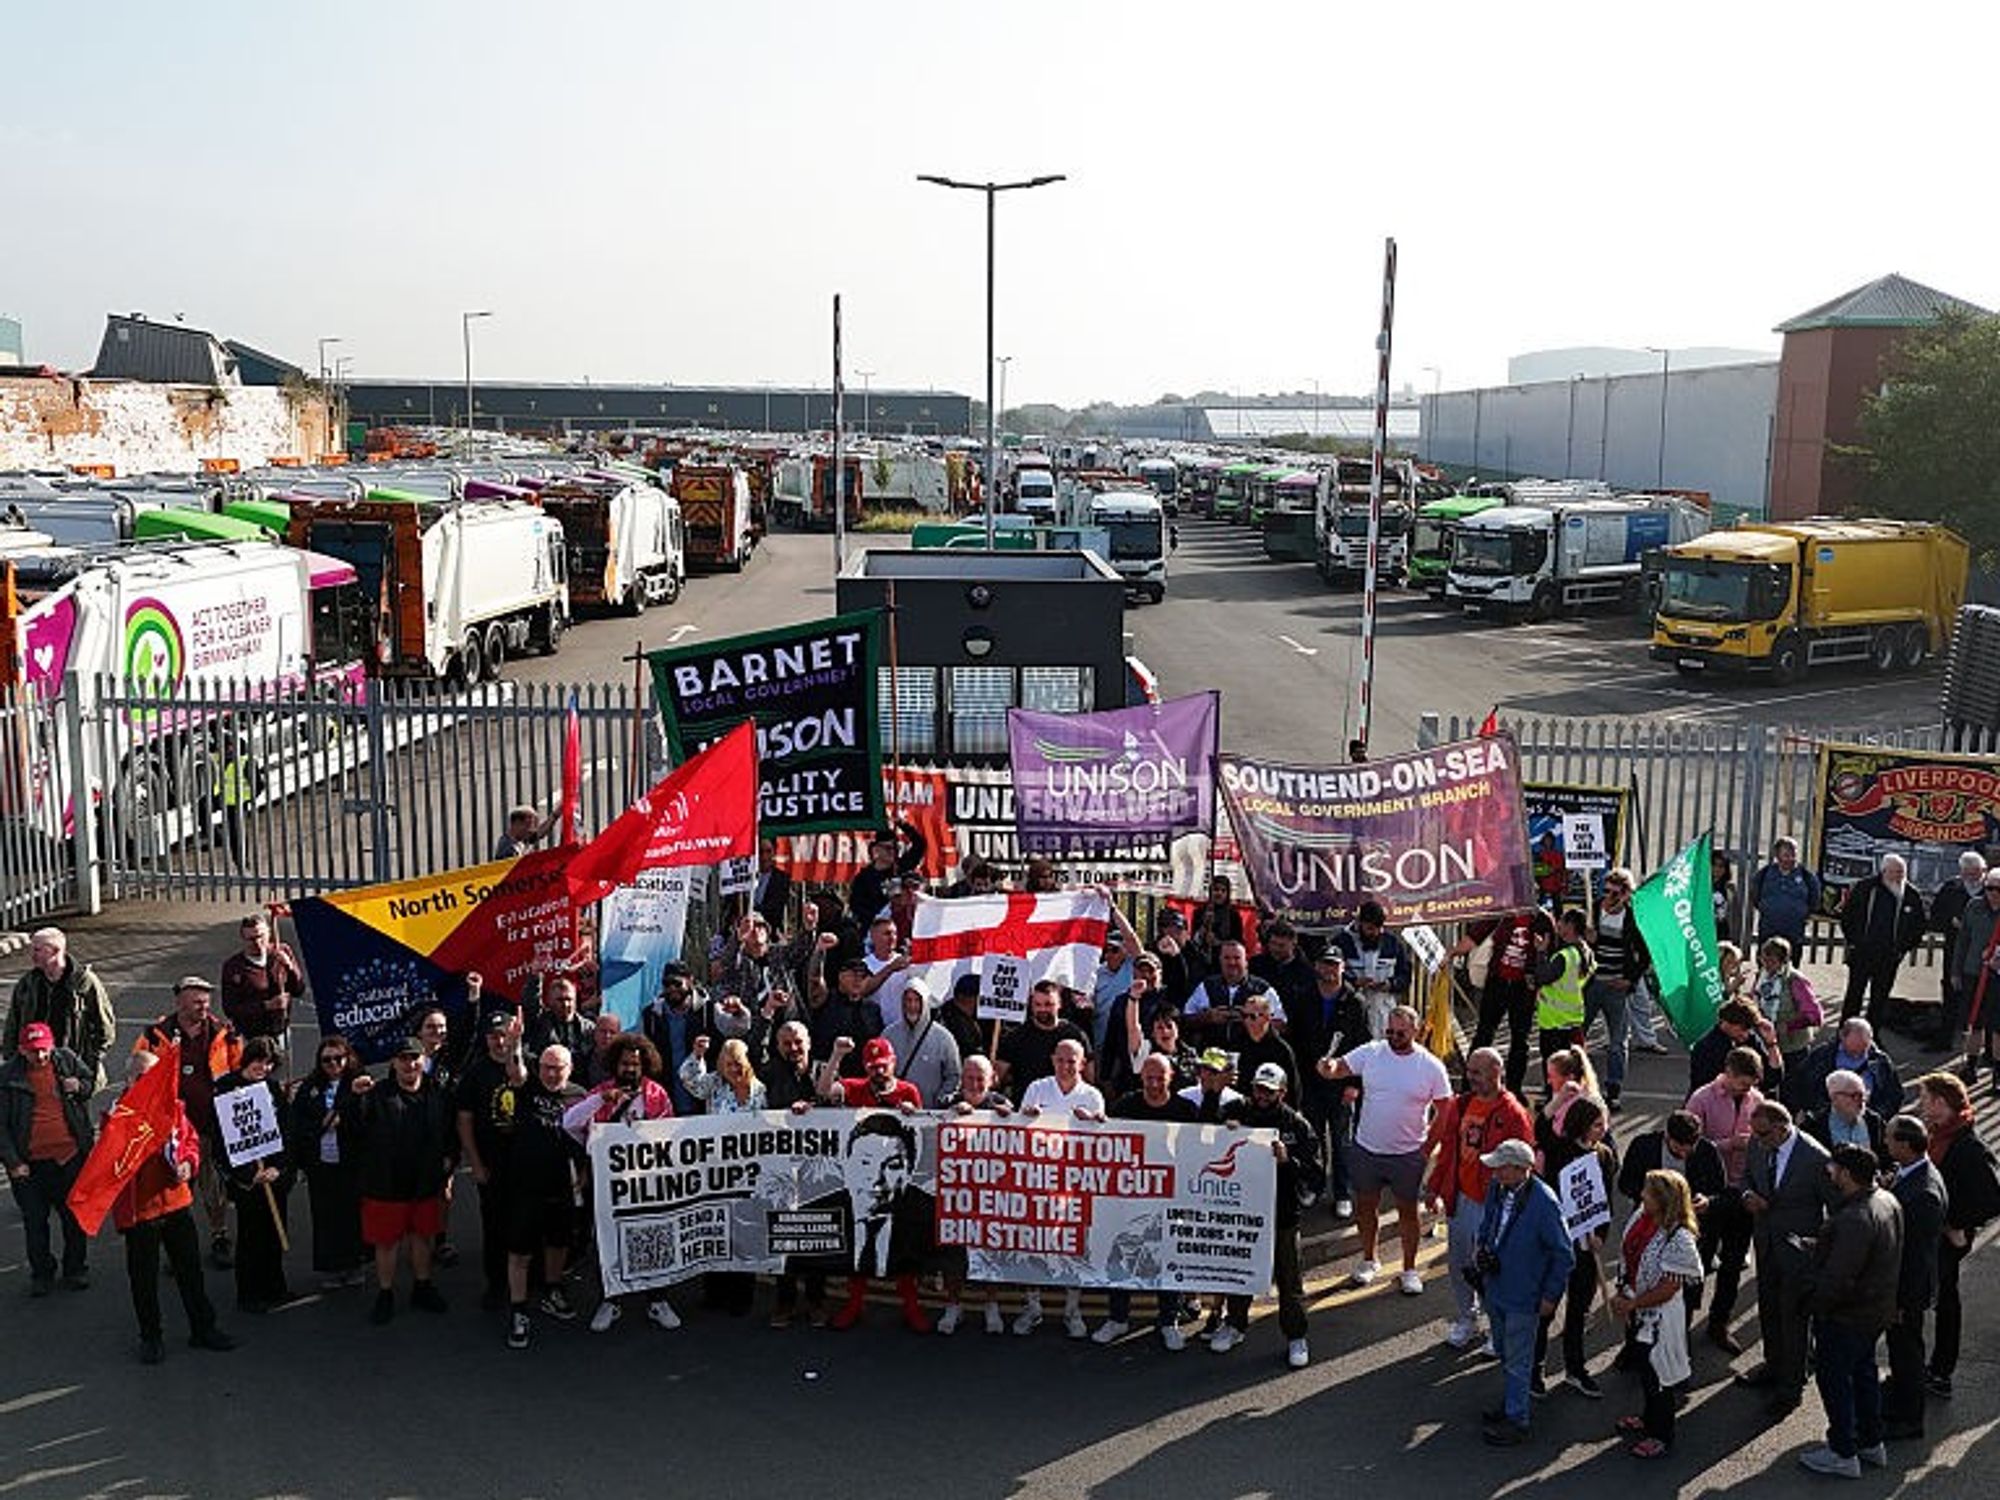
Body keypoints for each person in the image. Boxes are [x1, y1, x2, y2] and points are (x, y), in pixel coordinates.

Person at [1318, 1003, 1453, 1296]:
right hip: (1367, 1150)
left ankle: (1409, 1268)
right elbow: (1339, 1068)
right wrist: (1328, 1069)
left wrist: (1427, 1148)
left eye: (1400, 1033)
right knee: (1366, 1208)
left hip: (1408, 1154)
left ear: (1416, 1031)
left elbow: (1446, 1111)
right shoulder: (1372, 1052)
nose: (1393, 1037)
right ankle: (1369, 1259)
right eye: (1389, 1031)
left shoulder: (1431, 1066)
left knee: (1408, 1212)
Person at [110, 1052, 236, 1365]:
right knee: (144, 1279)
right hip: (141, 1212)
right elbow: (110, 1163)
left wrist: (188, 1163)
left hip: (175, 1203)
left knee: (190, 1271)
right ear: (128, 1080)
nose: (147, 1083)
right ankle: (150, 1336)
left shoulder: (174, 1108)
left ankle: (202, 1328)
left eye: (152, 1077)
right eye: (140, 1077)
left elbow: (191, 1142)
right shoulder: (118, 1116)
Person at [1797, 1144, 1902, 1478]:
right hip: (1874, 1312)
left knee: (1836, 1381)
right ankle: (1871, 1441)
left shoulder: (1853, 1218)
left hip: (1846, 1316)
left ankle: (1843, 1451)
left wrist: (1814, 1307)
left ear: (1846, 1173)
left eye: (1834, 1168)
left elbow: (1838, 1278)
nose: (1829, 1172)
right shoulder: (1887, 1201)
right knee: (1864, 1374)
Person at [1424, 1047, 1534, 1351]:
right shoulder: (1461, 1105)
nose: (1470, 1078)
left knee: (1491, 1268)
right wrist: (1435, 1187)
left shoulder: (1513, 1113)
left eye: (1477, 1073)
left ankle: (1495, 1327)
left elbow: (1524, 1161)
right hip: (1462, 1200)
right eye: (1469, 1071)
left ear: (1496, 1073)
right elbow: (1448, 1149)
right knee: (1460, 1264)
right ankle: (1467, 1319)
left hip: (1492, 1204)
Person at [1216, 1062, 1323, 1368]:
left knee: (1289, 1281)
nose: (1261, 1096)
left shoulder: (1297, 1125)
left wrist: (1288, 1162)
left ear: (1283, 1092)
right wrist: (1226, 1127)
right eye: (1258, 1089)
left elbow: (1315, 1174)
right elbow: (1205, 1134)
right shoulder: (1238, 1109)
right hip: (1242, 1212)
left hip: (1282, 1214)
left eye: (1269, 1091)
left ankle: (1296, 1336)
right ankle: (1235, 1325)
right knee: (1239, 1272)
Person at [134, 976, 244, 1269]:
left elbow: (238, 1069)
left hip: (212, 1124)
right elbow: (138, 1071)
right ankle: (176, 1248)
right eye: (196, 1002)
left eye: (207, 1002)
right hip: (172, 1129)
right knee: (176, 1187)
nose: (203, 1007)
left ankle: (220, 1237)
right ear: (179, 1001)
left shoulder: (223, 1032)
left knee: (215, 1187)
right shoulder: (156, 1034)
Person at [1473, 1138, 1574, 1446]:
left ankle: (1517, 1419)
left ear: (1521, 1169)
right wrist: (1482, 1246)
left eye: (1500, 1168)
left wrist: (1550, 1296)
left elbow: (1564, 1254)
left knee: (1517, 1358)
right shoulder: (1498, 1188)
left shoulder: (1545, 1202)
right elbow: (1489, 1221)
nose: (1494, 1173)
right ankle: (1512, 1403)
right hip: (1496, 1286)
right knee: (1504, 1349)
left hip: (1524, 1294)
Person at [1096, 1054, 1199, 1349]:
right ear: (1141, 1077)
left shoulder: (1185, 1109)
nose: (1153, 1084)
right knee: (1121, 1254)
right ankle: (1117, 1319)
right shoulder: (1126, 1105)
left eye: (1160, 1078)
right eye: (1148, 1078)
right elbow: (1106, 1138)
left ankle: (1168, 1321)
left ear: (1171, 1078)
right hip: (1131, 1198)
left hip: (1170, 1199)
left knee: (1166, 1258)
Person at [1738, 1100, 1833, 1415]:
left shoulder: (1816, 1158)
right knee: (1770, 1309)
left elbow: (1834, 1207)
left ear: (1781, 1129)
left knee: (1793, 1319)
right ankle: (1774, 1365)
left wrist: (1821, 1247)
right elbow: (1746, 1178)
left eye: (1763, 1135)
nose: (1758, 1140)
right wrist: (1747, 1195)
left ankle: (1791, 1387)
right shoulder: (1758, 1142)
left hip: (1798, 1253)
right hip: (1766, 1244)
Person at [352, 1036, 453, 1326]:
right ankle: (385, 1293)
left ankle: (422, 1286)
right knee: (387, 1243)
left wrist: (449, 1159)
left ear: (424, 1061)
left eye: (415, 1058)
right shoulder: (376, 1093)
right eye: (403, 1058)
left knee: (423, 1236)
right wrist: (354, 1096)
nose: (410, 1064)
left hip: (425, 1180)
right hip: (386, 1183)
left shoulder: (438, 1092)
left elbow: (448, 1131)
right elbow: (354, 1127)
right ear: (393, 1062)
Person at [495, 1041, 587, 1348]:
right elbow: (515, 1070)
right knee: (519, 1252)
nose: (550, 1073)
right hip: (524, 1186)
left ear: (569, 1069)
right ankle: (519, 1310)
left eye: (557, 1068)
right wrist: (515, 1044)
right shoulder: (527, 1087)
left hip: (562, 1186)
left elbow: (588, 1138)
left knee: (558, 1243)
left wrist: (584, 1171)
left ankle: (552, 1290)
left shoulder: (578, 1096)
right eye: (546, 1067)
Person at [1609, 1169, 1705, 1460]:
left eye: (1648, 1193)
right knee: (1645, 1369)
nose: (1642, 1196)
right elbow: (1630, 1256)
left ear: (1662, 1200)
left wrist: (1633, 1304)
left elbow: (1668, 1288)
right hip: (1638, 1308)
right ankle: (1648, 1419)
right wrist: (1624, 1291)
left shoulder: (1679, 1237)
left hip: (1660, 1318)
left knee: (1658, 1374)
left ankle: (1661, 1434)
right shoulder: (1643, 1216)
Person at [1014, 1037, 1106, 1339]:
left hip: (1074, 1183)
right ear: (1053, 1060)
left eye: (1072, 1061)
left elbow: (1104, 1143)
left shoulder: (1092, 1096)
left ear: (1082, 1063)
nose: (1066, 1066)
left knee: (1073, 1245)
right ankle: (1033, 1306)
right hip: (1039, 1179)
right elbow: (1015, 1133)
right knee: (1033, 1243)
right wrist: (1026, 1117)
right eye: (1061, 1060)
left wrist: (1094, 1122)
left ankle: (1072, 1308)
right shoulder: (1038, 1088)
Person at [814, 1101, 931, 1335]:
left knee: (908, 1256)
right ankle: (854, 1303)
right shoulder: (818, 1210)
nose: (875, 1178)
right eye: (865, 1163)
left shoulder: (928, 1212)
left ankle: (911, 1307)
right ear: (846, 1166)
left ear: (909, 1172)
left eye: (892, 1166)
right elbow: (828, 1092)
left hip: (906, 1228)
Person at [1917, 1070, 2000, 1399]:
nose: (1921, 1106)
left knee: (1944, 1302)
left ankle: (1940, 1371)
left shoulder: (1967, 1145)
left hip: (1948, 1238)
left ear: (1941, 1102)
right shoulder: (1940, 1132)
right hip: (1935, 1232)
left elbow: (1992, 1199)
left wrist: (1957, 1225)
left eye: (1925, 1100)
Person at [0, 1020, 94, 1295]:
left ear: (51, 1045)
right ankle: (42, 1273)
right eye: (32, 1051)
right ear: (21, 1050)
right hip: (30, 1166)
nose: (39, 1056)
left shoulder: (66, 1060)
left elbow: (90, 1082)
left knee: (73, 1219)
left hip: (70, 1157)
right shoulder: (7, 1078)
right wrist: (14, 1162)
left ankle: (76, 1268)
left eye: (43, 1049)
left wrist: (80, 1085)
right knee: (35, 1222)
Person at [1535, 1096, 1617, 1398]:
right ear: (1582, 1124)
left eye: (1604, 1123)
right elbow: (1541, 1128)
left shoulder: (1605, 1156)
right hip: (1556, 1243)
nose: (1603, 1129)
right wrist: (1557, 1100)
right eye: (1597, 1124)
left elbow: (1604, 1200)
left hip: (1586, 1245)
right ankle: (1535, 1367)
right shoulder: (1560, 1150)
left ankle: (1575, 1368)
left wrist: (1601, 1235)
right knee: (1547, 1307)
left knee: (1579, 1310)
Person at [1684, 1046, 1765, 1352]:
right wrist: (1729, 1145)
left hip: (1741, 1193)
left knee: (1733, 1263)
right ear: (1728, 1074)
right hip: (1711, 1194)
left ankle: (1719, 1323)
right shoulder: (1701, 1099)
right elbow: (1691, 1146)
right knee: (1698, 1263)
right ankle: (1684, 1323)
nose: (1749, 1090)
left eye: (1751, 1085)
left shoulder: (1756, 1100)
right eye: (1744, 1083)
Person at [213, 1037, 295, 1313]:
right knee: (251, 1236)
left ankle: (275, 1287)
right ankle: (249, 1293)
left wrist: (278, 1168)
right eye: (259, 1060)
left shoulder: (272, 1088)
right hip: (247, 1180)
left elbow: (285, 1130)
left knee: (274, 1232)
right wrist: (248, 1175)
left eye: (269, 1062)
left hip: (272, 1175)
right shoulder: (225, 1089)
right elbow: (221, 1141)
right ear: (247, 1059)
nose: (263, 1067)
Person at [933, 1055, 1013, 1337]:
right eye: (969, 1078)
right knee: (953, 1253)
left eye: (981, 1078)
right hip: (956, 1197)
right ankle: (954, 1304)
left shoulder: (1002, 1106)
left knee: (991, 1251)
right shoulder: (946, 1103)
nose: (975, 1083)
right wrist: (953, 1113)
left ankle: (991, 1304)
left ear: (992, 1080)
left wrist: (1013, 1118)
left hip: (991, 1196)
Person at [1881, 1114, 1948, 1441]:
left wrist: (1900, 1301)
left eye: (1891, 1139)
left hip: (1906, 1292)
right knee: (1901, 1349)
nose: (1886, 1143)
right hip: (1904, 1289)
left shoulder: (1922, 1193)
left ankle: (1910, 1418)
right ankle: (1900, 1401)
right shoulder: (1914, 1173)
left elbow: (1914, 1258)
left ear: (1906, 1145)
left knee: (1907, 1352)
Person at [288, 1034, 367, 1291]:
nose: (333, 1064)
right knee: (325, 1215)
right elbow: (298, 1123)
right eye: (326, 1060)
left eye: (338, 1058)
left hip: (351, 1160)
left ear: (348, 1058)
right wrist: (320, 1125)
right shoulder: (311, 1087)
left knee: (352, 1213)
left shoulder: (358, 1084)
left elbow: (369, 1119)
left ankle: (355, 1263)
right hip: (321, 1162)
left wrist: (345, 1123)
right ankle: (331, 1266)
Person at [4, 927, 116, 1090]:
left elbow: (105, 1029)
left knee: (71, 1114)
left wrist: (86, 1066)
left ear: (55, 951)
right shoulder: (28, 983)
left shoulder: (84, 983)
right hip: (34, 1068)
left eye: (38, 950)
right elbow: (13, 1025)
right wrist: (12, 1063)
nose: (32, 955)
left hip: (70, 1072)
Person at [1585, 869, 1653, 1109]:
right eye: (1606, 891)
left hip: (1616, 987)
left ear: (1626, 895)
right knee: (1577, 1035)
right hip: (1592, 984)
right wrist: (1587, 938)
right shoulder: (1592, 910)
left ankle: (1613, 1090)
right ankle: (1573, 1086)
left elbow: (1645, 955)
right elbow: (1573, 941)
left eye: (1615, 893)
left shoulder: (1633, 918)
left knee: (1617, 1042)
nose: (1608, 897)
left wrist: (1630, 980)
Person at [1837, 853, 1927, 1024]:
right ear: (1884, 871)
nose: (1899, 876)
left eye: (1902, 872)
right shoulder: (1865, 887)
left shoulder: (1911, 894)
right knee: (1854, 996)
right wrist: (1855, 943)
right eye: (1895, 872)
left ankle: (1873, 1036)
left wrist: (1902, 949)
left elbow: (1919, 926)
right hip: (1862, 954)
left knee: (1880, 999)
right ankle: (1844, 1033)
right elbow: (1848, 917)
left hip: (1889, 957)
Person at [1465, 911, 1539, 1096]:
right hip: (1498, 981)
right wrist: (1452, 953)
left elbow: (1551, 948)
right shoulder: (1500, 915)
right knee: (1484, 1033)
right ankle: (1469, 1086)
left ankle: (1514, 1089)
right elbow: (1475, 936)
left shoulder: (1542, 919)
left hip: (1523, 987)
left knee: (1520, 1040)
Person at [1784, 1017, 1901, 1119]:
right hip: (1825, 1120)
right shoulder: (1822, 1055)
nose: (1857, 1055)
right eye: (1853, 1051)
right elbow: (1798, 1083)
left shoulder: (1881, 1062)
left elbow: (1894, 1096)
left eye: (1863, 1050)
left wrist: (1876, 1119)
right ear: (1842, 1036)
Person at [217, 912, 306, 1044]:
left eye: (261, 936)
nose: (258, 943)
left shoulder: (281, 951)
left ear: (269, 933)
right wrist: (266, 1006)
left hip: (281, 1031)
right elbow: (230, 1009)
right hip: (250, 1035)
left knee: (283, 1063)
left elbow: (299, 989)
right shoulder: (233, 966)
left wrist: (289, 966)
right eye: (251, 939)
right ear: (243, 938)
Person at [1930, 852, 1988, 1050]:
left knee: (1985, 998)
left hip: (1984, 953)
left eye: (1976, 873)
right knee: (1950, 991)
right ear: (1961, 872)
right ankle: (1944, 1039)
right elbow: (1935, 916)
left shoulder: (1992, 890)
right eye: (1967, 873)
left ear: (1983, 871)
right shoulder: (1951, 888)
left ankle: (1985, 1048)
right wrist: (1951, 923)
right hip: (1955, 949)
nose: (1971, 878)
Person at [994, 981, 1091, 1099]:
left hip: (1066, 1108)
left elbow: (1089, 1077)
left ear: (1059, 1004)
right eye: (1038, 1004)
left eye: (1048, 1004)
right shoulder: (1015, 1036)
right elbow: (997, 1078)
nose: (1043, 1009)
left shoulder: (1075, 1034)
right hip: (1026, 1108)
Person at [879, 977, 962, 1108]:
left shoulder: (944, 1038)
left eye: (917, 1000)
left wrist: (941, 1101)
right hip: (895, 1113)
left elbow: (953, 1076)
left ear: (925, 1003)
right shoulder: (888, 1035)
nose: (912, 1006)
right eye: (908, 1000)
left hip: (931, 1114)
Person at [1949, 867, 2000, 1078]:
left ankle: (1998, 1071)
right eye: (1989, 888)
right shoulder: (1974, 906)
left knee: (1998, 1027)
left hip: (1998, 976)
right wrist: (1955, 971)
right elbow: (1963, 940)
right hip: (1973, 972)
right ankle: (1970, 1066)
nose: (1994, 893)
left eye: (1998, 889)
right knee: (1974, 1021)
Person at [1333, 902, 1412, 1038]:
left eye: (1378, 928)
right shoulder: (1341, 942)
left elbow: (1405, 976)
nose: (1374, 932)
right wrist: (1354, 982)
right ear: (1359, 923)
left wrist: (1389, 984)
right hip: (1351, 1007)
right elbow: (1330, 976)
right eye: (1369, 928)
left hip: (1384, 1007)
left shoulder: (1393, 943)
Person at [1182, 940, 1278, 1044]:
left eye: (1237, 958)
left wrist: (1251, 1019)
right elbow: (1185, 1020)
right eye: (1227, 958)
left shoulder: (1263, 989)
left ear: (1246, 961)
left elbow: (1281, 1024)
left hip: (1251, 1052)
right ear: (1220, 960)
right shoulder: (1206, 986)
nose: (1232, 963)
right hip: (1213, 1053)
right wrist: (1208, 1017)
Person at [1687, 998, 1783, 1098]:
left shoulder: (1749, 1041)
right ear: (1727, 1022)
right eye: (1743, 1028)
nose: (1746, 1034)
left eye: (1749, 1028)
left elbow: (1773, 1077)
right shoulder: (1705, 1049)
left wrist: (1771, 1043)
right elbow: (1708, 1089)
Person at [1531, 909, 1593, 1064]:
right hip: (1573, 1020)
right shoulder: (1586, 952)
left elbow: (1542, 977)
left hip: (1554, 1023)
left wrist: (1541, 953)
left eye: (1562, 921)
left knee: (1554, 1071)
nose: (1558, 924)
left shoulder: (1564, 956)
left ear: (1570, 926)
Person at [1754, 937, 1822, 1071]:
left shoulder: (1796, 981)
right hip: (1768, 1042)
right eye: (1763, 959)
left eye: (1772, 961)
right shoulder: (1761, 976)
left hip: (1793, 1047)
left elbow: (1815, 1016)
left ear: (1783, 961)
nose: (1766, 965)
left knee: (1792, 1084)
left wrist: (1787, 1026)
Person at [1751, 835, 1823, 956]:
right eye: (1786, 855)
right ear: (1777, 856)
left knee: (1791, 968)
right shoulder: (1764, 874)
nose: (1790, 859)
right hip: (1769, 930)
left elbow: (1814, 900)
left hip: (1794, 931)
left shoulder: (1807, 876)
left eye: (1793, 855)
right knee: (1766, 964)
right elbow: (1755, 897)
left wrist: (1802, 913)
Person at [848, 821, 925, 927]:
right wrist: (878, 917)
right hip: (875, 928)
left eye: (896, 848)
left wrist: (903, 825)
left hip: (900, 926)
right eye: (888, 848)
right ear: (876, 850)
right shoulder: (864, 878)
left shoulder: (901, 868)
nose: (892, 852)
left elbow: (919, 845)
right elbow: (856, 906)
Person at [1800, 1069, 1886, 1157]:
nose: (1861, 1101)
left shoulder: (1875, 1121)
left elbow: (1887, 1158)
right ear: (1834, 1097)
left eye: (1863, 1095)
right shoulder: (1814, 1125)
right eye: (1854, 1096)